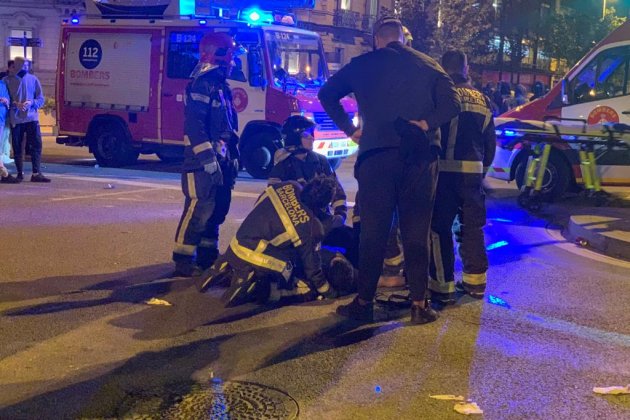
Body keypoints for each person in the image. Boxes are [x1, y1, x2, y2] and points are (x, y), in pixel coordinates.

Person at [318, 16, 460, 323]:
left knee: (374, 231)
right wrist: (426, 123)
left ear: (377, 40)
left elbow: (326, 94)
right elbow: (452, 104)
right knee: (416, 230)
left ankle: (364, 301)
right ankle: (420, 305)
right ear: (404, 40)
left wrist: (350, 130)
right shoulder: (429, 65)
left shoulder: (361, 64)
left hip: (377, 157)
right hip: (420, 157)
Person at [199, 177, 344, 307]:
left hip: (239, 239)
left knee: (283, 247)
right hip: (253, 253)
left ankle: (228, 264)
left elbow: (260, 202)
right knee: (289, 270)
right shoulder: (310, 226)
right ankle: (259, 288)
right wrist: (328, 291)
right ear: (323, 204)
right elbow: (312, 267)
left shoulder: (288, 185)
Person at [428, 50, 496, 305]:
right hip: (472, 175)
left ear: (443, 69)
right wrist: (481, 170)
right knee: (472, 228)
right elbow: (490, 144)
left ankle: (442, 286)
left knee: (439, 228)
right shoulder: (484, 100)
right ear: (466, 69)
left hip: (443, 173)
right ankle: (475, 283)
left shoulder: (441, 95)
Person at [172, 33, 242, 277]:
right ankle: (183, 258)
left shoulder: (220, 84)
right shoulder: (203, 84)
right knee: (199, 209)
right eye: (231, 55)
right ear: (218, 55)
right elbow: (195, 126)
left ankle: (207, 256)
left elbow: (227, 125)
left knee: (216, 209)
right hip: (201, 161)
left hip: (220, 159)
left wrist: (231, 155)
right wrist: (208, 159)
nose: (234, 61)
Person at [268, 115, 348, 235]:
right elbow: (273, 204)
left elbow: (336, 190)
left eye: (312, 134)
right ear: (294, 138)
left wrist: (340, 215)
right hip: (295, 229)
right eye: (307, 135)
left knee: (350, 239)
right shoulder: (282, 167)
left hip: (322, 223)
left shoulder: (321, 161)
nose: (312, 138)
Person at [4, 57, 49, 183]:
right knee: (18, 147)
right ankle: (20, 173)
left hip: (31, 118)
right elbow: (4, 99)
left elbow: (41, 99)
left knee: (36, 145)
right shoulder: (6, 81)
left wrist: (31, 102)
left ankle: (36, 173)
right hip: (16, 119)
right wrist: (15, 104)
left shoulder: (33, 79)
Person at [0, 78, 18, 183]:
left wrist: (6, 101)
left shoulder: (3, 84)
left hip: (2, 119)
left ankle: (4, 172)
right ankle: (4, 173)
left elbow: (8, 100)